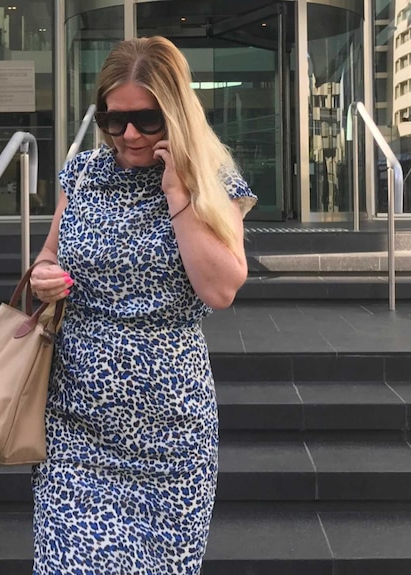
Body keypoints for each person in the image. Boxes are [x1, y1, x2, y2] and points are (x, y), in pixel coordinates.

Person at [28, 36, 257, 573]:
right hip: (74, 426)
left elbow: (221, 289)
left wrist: (179, 192)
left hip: (171, 437)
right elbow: (46, 259)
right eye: (113, 120)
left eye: (147, 120)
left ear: (176, 113)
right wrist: (42, 279)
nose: (127, 134)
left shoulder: (211, 181)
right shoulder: (81, 174)